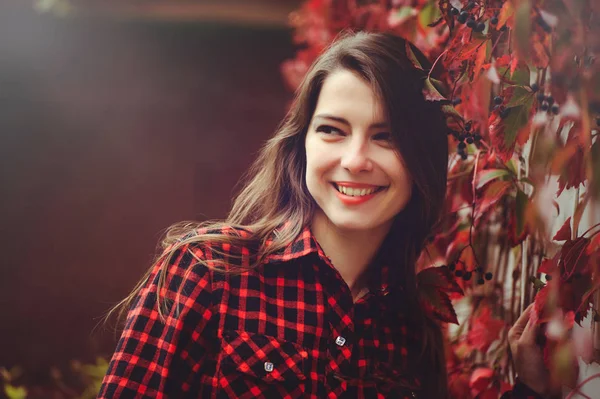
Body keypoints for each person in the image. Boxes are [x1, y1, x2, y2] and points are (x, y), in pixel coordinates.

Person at [98, 31, 550, 398]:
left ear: (423, 160)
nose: (355, 159)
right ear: (302, 145)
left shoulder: (413, 330)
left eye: (385, 136)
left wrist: (530, 389)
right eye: (332, 130)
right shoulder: (206, 272)